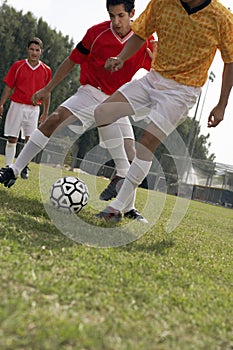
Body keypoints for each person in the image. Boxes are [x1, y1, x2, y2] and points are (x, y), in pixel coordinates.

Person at [0, 0, 155, 223]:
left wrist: (158, 63)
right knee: (54, 118)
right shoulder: (96, 33)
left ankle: (129, 207)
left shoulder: (144, 39)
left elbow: (156, 75)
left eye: (121, 16)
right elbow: (72, 61)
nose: (115, 22)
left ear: (132, 13)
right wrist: (47, 88)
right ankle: (14, 169)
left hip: (117, 100)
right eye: (111, 16)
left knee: (130, 152)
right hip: (90, 92)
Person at [92, 0, 233, 222]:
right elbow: (140, 33)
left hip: (183, 91)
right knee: (103, 113)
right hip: (153, 79)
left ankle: (116, 207)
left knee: (146, 142)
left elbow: (230, 60)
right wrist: (121, 58)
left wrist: (222, 104)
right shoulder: (162, 2)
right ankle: (122, 171)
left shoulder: (222, 17)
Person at [0, 37, 52, 179]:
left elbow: (47, 93)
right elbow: (9, 87)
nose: (34, 53)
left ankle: (23, 166)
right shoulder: (18, 66)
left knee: (30, 139)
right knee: (12, 138)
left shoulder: (46, 70)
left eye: (37, 50)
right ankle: (9, 166)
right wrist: (1, 103)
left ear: (41, 51)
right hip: (16, 105)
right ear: (27, 50)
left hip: (34, 109)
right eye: (31, 49)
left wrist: (46, 112)